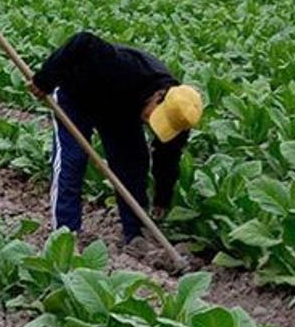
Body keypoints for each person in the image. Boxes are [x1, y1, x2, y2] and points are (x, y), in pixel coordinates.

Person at [28, 31, 203, 246]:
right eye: (155, 117)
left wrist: (162, 198)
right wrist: (44, 79)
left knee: (133, 165)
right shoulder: (124, 67)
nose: (151, 123)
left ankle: (135, 233)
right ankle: (65, 236)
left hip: (121, 110)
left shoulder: (180, 117)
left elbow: (167, 158)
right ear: (159, 96)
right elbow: (82, 41)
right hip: (77, 96)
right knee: (72, 161)